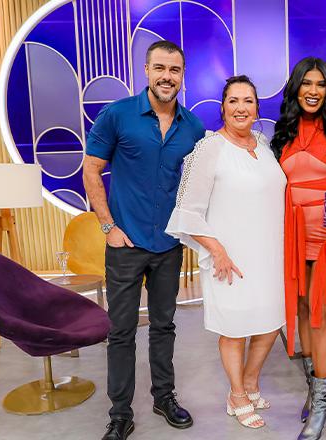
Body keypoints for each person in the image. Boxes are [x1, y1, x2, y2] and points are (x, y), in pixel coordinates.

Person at [83, 40, 205, 440]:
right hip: (126, 243)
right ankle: (120, 414)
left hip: (169, 245)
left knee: (164, 325)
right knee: (120, 330)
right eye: (160, 68)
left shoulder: (194, 128)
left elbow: (196, 188)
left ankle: (163, 396)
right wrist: (107, 226)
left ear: (182, 76)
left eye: (175, 70)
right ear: (147, 71)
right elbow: (92, 169)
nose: (167, 76)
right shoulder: (117, 115)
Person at [166, 75, 286, 429]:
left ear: (256, 108)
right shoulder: (210, 148)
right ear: (223, 107)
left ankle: (250, 382)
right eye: (233, 101)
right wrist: (216, 250)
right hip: (228, 258)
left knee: (267, 325)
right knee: (234, 329)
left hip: (268, 255)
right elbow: (187, 209)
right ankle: (236, 393)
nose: (241, 108)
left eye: (248, 101)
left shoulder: (263, 144)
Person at [270, 57, 326, 440]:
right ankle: (312, 386)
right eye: (307, 83)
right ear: (296, 88)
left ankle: (321, 404)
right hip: (292, 235)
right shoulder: (281, 132)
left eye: (321, 84)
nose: (313, 90)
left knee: (320, 313)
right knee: (303, 309)